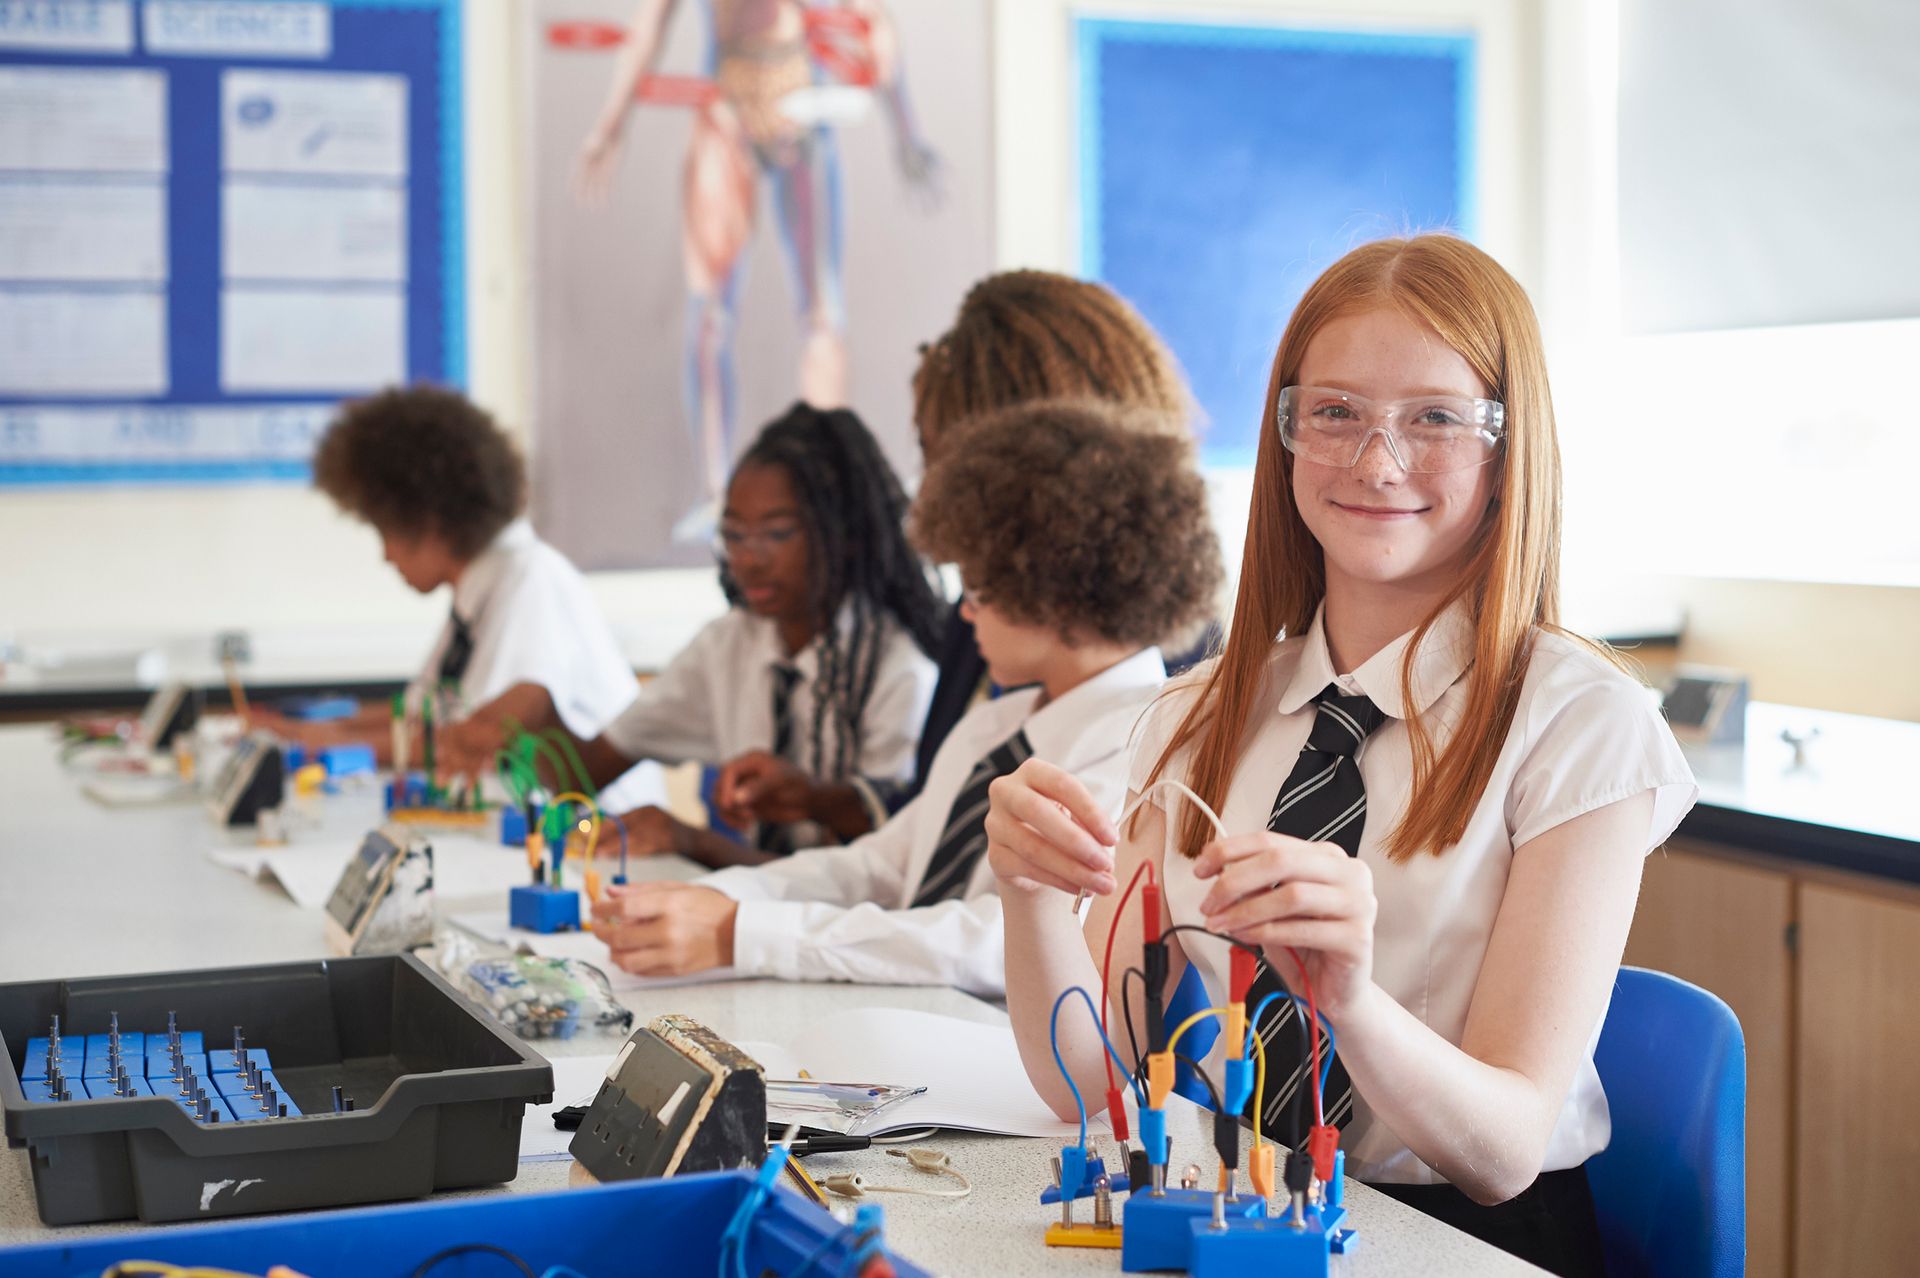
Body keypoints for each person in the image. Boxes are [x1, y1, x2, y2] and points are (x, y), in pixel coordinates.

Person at [983, 235, 1697, 1276]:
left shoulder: (1582, 723)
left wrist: (1349, 997)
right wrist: (1030, 898)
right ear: (1284, 434)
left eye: (1436, 419)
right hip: (1251, 1210)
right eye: (1335, 413)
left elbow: (1501, 1152)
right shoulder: (1198, 716)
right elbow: (1097, 1086)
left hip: (1463, 1238)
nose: (1377, 462)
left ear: (1509, 450)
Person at [586, 398, 1223, 993]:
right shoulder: (993, 727)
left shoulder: (1149, 742)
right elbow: (877, 869)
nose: (963, 615)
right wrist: (718, 900)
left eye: (977, 588)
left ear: (1053, 589)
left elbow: (995, 941)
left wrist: (742, 933)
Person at [712, 268, 1202, 843]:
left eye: (937, 455)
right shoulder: (969, 634)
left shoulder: (1172, 683)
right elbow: (930, 839)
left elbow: (997, 922)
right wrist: (823, 803)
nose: (929, 492)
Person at [443, 401, 943, 868]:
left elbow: (880, 885)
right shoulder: (730, 645)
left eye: (777, 533)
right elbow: (582, 774)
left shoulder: (900, 670)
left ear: (846, 536)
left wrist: (695, 843)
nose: (749, 559)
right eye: (733, 535)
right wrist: (540, 713)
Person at [575, 0, 941, 535]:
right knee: (711, 315)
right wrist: (609, 126)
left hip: (799, 108)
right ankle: (716, 493)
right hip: (729, 110)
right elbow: (649, 26)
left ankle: (831, 484)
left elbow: (871, 23)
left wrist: (906, 130)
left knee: (820, 314)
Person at [255, 384, 643, 795]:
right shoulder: (480, 593)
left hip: (596, 834)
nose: (385, 556)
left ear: (428, 519)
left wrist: (318, 741)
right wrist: (309, 729)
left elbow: (473, 738)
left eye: (383, 530)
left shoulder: (530, 581)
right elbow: (422, 716)